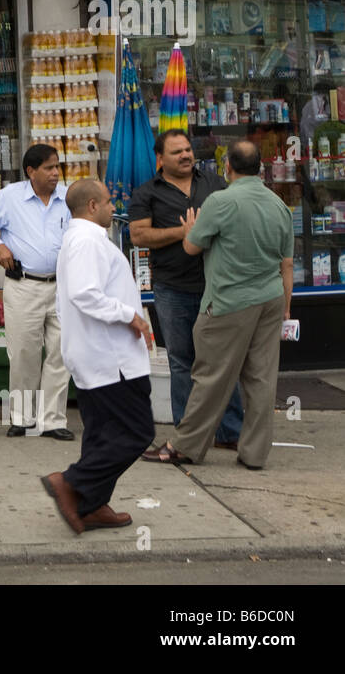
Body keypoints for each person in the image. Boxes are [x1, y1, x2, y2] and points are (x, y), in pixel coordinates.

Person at [141, 141, 294, 470]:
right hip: (270, 298)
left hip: (229, 300)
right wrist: (286, 306)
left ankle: (184, 446)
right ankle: (254, 453)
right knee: (261, 379)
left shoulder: (220, 201)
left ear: (228, 167)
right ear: (261, 168)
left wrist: (191, 229)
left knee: (210, 377)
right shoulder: (278, 205)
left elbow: (192, 247)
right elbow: (287, 265)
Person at [42, 179, 154, 535]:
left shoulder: (84, 240)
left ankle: (90, 504)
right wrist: (130, 315)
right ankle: (72, 482)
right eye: (107, 202)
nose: (113, 208)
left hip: (100, 355)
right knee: (137, 432)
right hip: (110, 359)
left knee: (103, 434)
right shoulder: (86, 241)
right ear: (91, 206)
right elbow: (84, 294)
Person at [129, 129, 242, 449]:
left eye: (188, 150)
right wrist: (185, 232)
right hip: (173, 288)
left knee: (222, 360)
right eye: (177, 151)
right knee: (182, 362)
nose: (186, 155)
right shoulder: (146, 192)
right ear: (160, 159)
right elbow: (139, 236)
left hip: (217, 286)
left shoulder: (215, 184)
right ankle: (187, 433)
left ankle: (231, 431)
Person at [0, 144, 73, 439]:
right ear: (31, 171)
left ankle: (53, 420)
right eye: (49, 168)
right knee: (24, 353)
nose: (55, 173)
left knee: (60, 353)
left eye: (57, 167)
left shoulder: (69, 197)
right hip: (24, 284)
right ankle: (22, 417)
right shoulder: (10, 196)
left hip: (61, 286)